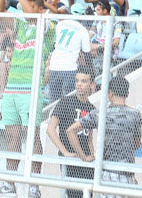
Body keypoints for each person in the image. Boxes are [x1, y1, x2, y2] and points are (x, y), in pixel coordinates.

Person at [0, 0, 55, 198]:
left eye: (31, 7)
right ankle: (10, 182)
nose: (27, 11)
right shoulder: (21, 25)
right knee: (12, 138)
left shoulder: (47, 25)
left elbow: (33, 15)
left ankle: (34, 185)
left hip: (32, 90)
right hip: (13, 89)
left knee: (31, 137)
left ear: (40, 9)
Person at [67, 76, 142, 195]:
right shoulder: (135, 114)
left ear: (110, 93)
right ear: (127, 94)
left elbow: (70, 130)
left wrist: (83, 156)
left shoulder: (100, 113)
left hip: (105, 172)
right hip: (127, 173)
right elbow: (137, 144)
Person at [48, 66, 96, 198]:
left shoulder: (92, 108)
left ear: (92, 84)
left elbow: (89, 138)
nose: (79, 84)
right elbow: (50, 129)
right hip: (71, 159)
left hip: (86, 160)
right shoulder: (66, 102)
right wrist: (64, 152)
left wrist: (92, 156)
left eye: (84, 81)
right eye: (77, 80)